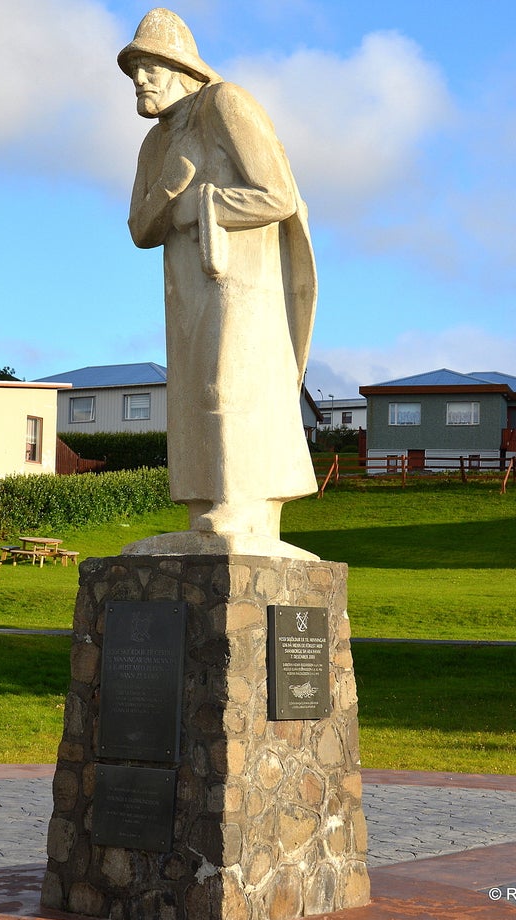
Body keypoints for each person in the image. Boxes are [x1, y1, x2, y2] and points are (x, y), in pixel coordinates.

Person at [118, 8, 319, 558]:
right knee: (192, 392)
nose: (139, 80)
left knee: (227, 383)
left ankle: (244, 505)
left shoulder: (225, 104)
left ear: (180, 67)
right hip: (188, 289)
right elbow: (140, 228)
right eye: (133, 70)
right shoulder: (155, 144)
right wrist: (171, 190)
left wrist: (204, 206)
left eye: (149, 68)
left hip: (242, 281)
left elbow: (276, 194)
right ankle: (206, 504)